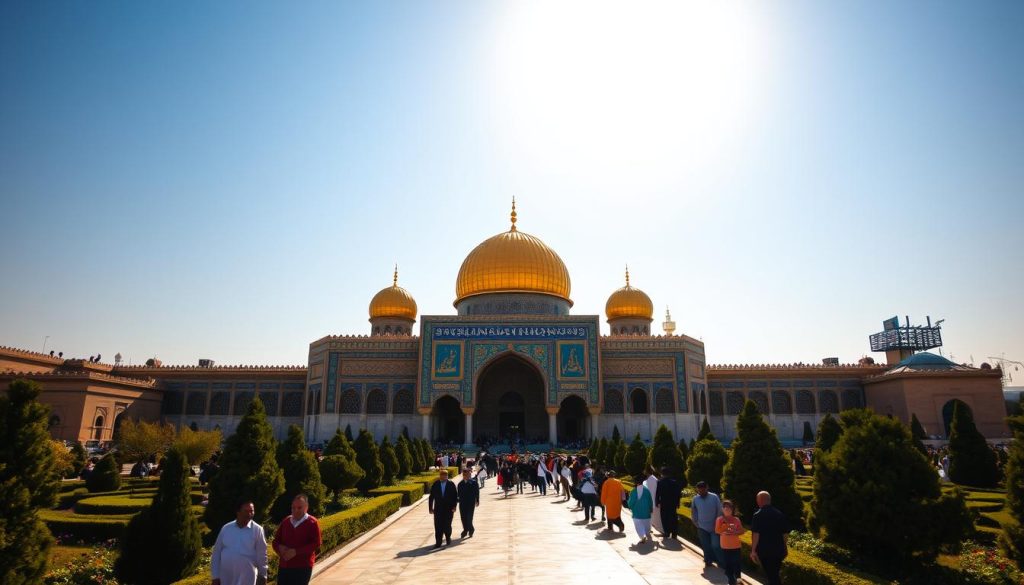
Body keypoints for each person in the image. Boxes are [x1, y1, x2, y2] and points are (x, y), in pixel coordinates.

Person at [211, 500, 268, 585]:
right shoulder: (226, 528)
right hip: (226, 578)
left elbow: (262, 555)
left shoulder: (257, 530)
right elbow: (216, 553)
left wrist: (263, 575)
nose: (249, 514)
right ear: (238, 512)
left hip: (248, 578)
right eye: (246, 511)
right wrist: (215, 576)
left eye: (251, 511)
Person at [273, 494, 322, 585]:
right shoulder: (286, 521)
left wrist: (296, 551)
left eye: (299, 508)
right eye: (293, 508)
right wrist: (280, 548)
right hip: (285, 566)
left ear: (306, 508)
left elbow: (316, 543)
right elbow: (275, 542)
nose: (296, 510)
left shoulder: (312, 522)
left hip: (302, 567)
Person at [751, 491, 788, 585]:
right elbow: (785, 534)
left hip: (765, 551)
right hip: (779, 550)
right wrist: (784, 547)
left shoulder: (757, 515)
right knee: (774, 574)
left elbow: (756, 534)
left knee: (772, 576)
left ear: (759, 501)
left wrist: (753, 551)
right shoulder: (779, 514)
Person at [691, 480, 724, 569]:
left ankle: (721, 562)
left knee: (716, 545)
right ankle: (708, 560)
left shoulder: (714, 497)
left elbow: (719, 510)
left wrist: (717, 523)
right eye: (699, 490)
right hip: (702, 527)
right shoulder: (695, 499)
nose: (701, 492)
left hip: (714, 527)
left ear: (707, 488)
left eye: (703, 490)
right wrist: (695, 522)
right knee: (705, 545)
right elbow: (694, 511)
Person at [715, 500, 746, 585]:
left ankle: (738, 579)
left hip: (736, 546)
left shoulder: (736, 519)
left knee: (737, 563)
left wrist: (735, 532)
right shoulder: (719, 519)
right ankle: (731, 581)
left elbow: (742, 531)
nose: (726, 509)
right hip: (725, 546)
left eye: (728, 507)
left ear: (732, 509)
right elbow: (717, 531)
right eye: (724, 507)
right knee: (728, 565)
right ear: (722, 509)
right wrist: (724, 529)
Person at [428, 468, 459, 549]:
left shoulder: (451, 484)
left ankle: (448, 538)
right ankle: (438, 542)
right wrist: (430, 508)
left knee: (447, 525)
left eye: (446, 475)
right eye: (442, 475)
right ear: (440, 476)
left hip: (449, 509)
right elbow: (431, 497)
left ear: (447, 476)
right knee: (438, 526)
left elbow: (455, 496)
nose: (444, 477)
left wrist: (454, 506)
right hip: (438, 509)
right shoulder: (435, 484)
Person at [655, 466, 683, 540]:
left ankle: (667, 532)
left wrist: (657, 502)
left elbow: (658, 493)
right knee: (673, 517)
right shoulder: (674, 482)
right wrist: (678, 503)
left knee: (664, 517)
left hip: (664, 502)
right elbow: (678, 494)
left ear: (662, 473)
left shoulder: (660, 482)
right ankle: (674, 534)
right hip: (673, 503)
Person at [626, 475, 654, 544]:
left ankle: (642, 536)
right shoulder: (647, 490)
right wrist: (651, 508)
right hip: (646, 512)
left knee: (638, 526)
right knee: (646, 525)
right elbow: (650, 501)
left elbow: (631, 501)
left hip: (637, 512)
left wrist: (629, 506)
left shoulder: (634, 491)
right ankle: (646, 534)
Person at [457, 467, 480, 538]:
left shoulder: (473, 483)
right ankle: (465, 530)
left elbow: (477, 492)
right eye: (464, 475)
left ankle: (471, 529)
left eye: (468, 475)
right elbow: (458, 494)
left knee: (469, 518)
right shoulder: (460, 484)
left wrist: (477, 500)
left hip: (470, 503)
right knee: (463, 518)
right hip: (462, 503)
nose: (466, 476)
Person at [643, 467, 662, 536]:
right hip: (652, 500)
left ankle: (648, 528)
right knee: (650, 516)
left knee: (649, 516)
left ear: (647, 471)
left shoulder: (650, 480)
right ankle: (648, 528)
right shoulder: (654, 479)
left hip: (649, 500)